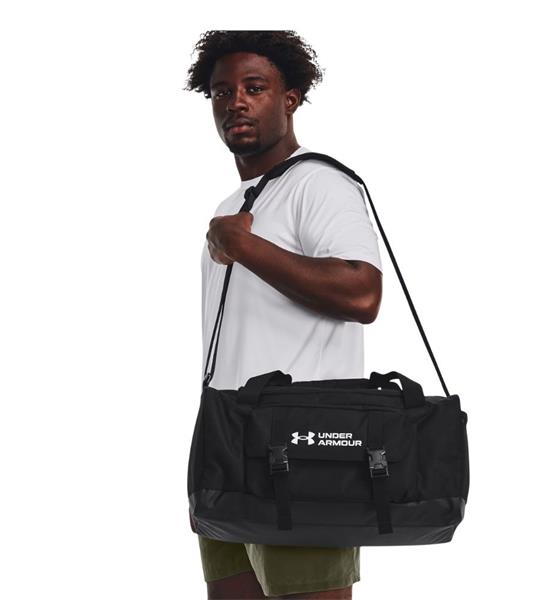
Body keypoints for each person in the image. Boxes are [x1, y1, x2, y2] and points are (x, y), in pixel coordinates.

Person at [185, 30, 383, 599]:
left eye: (255, 88)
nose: (236, 103)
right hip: (227, 436)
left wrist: (245, 247)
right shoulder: (233, 205)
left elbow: (363, 294)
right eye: (222, 92)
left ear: (289, 98)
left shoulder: (320, 182)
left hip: (304, 443)